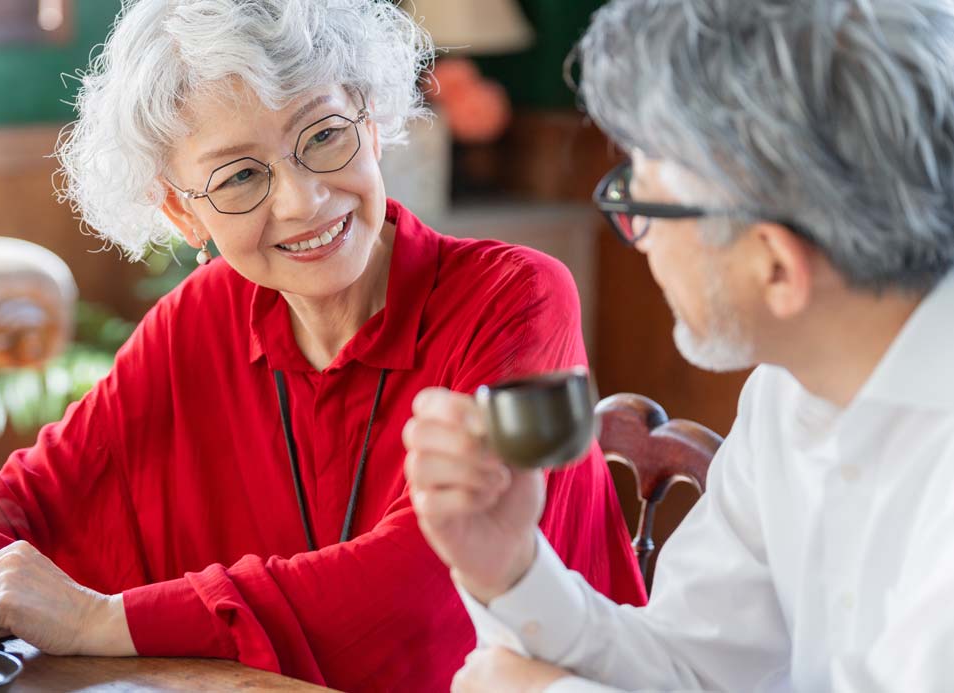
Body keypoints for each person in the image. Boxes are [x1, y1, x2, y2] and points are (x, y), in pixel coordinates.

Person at [0, 1, 646, 689]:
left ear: (372, 118)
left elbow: (429, 586)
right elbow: (43, 490)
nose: (303, 200)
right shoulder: (200, 318)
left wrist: (103, 620)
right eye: (239, 177)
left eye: (323, 135)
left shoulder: (516, 297)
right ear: (184, 215)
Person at [405, 0, 954, 690]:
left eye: (644, 200)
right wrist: (511, 567)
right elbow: (695, 663)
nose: (638, 240)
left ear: (776, 265)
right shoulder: (788, 392)